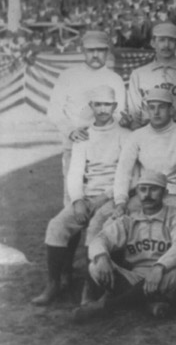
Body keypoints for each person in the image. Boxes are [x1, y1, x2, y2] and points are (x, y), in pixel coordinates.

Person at [32, 85, 130, 306]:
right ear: (92, 106)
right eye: (98, 104)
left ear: (114, 106)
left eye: (107, 104)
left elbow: (126, 175)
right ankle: (54, 283)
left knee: (95, 228)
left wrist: (103, 198)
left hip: (114, 196)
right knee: (57, 225)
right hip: (87, 196)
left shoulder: (125, 136)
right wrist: (77, 201)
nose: (103, 109)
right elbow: (75, 173)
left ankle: (90, 289)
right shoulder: (84, 136)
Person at [72, 172, 176, 323]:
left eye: (154, 189)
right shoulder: (128, 220)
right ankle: (153, 303)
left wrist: (159, 268)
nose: (147, 195)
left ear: (165, 193)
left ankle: (105, 306)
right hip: (133, 279)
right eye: (143, 189)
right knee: (95, 267)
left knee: (175, 273)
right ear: (137, 193)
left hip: (165, 274)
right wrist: (102, 257)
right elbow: (100, 239)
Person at [112, 88, 176, 268]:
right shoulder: (137, 136)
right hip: (147, 195)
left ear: (171, 110)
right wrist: (120, 200)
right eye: (152, 107)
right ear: (146, 110)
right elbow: (123, 170)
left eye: (161, 107)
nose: (156, 112)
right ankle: (119, 277)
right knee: (117, 220)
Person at [47, 30, 127, 203]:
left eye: (100, 50)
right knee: (73, 198)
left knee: (107, 199)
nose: (96, 55)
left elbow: (120, 113)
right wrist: (70, 131)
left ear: (107, 51)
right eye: (91, 50)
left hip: (107, 150)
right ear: (83, 50)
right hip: (75, 144)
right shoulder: (68, 76)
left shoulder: (115, 79)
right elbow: (54, 109)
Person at [126, 22, 176, 130]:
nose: (166, 45)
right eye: (162, 40)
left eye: (171, 40)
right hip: (149, 132)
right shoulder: (138, 74)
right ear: (153, 43)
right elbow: (134, 115)